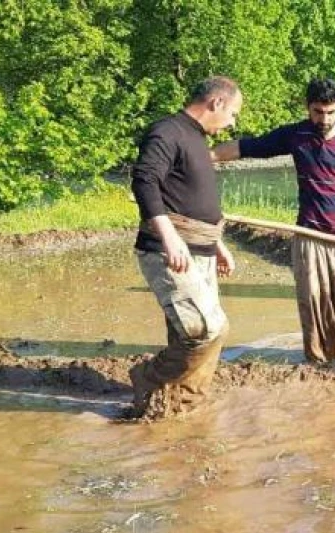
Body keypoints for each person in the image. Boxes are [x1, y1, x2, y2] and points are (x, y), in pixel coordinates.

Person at [212, 78, 335, 364]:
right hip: (311, 238)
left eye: (331, 112)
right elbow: (246, 148)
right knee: (315, 306)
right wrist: (204, 157)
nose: (324, 119)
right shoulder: (296, 135)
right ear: (308, 108)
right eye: (318, 112)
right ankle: (320, 364)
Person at [128, 76, 242, 414]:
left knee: (188, 335)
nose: (232, 122)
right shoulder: (167, 131)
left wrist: (218, 245)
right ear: (216, 103)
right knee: (205, 329)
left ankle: (179, 402)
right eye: (233, 113)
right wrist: (169, 236)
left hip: (201, 248)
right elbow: (144, 179)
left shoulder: (197, 140)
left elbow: (193, 198)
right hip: (171, 250)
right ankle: (148, 379)